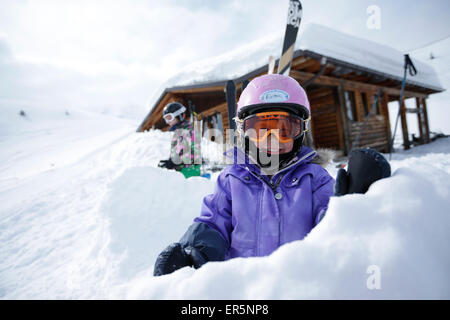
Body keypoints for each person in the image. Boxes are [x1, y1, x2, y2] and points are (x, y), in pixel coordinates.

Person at [153, 74, 390, 276]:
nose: (273, 140)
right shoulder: (231, 180)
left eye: (284, 130)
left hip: (299, 287)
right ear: (244, 132)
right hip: (243, 291)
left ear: (300, 132)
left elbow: (331, 223)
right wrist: (194, 252)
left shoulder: (314, 179)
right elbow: (213, 224)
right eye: (260, 131)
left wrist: (352, 208)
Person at [158, 102, 202, 178]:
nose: (168, 122)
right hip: (183, 169)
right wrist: (170, 161)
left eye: (169, 118)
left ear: (180, 116)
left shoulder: (187, 130)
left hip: (190, 171)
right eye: (166, 119)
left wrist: (173, 162)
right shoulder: (179, 131)